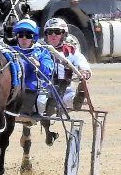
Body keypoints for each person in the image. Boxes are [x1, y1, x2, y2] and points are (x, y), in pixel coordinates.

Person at [37, 17, 92, 146]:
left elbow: (84, 65)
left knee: (70, 101)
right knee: (41, 101)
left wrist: (84, 72)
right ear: (46, 34)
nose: (53, 35)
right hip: (41, 88)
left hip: (64, 89)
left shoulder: (71, 51)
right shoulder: (39, 49)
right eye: (50, 32)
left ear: (64, 34)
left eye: (57, 32)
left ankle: (78, 97)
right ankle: (47, 127)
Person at [12, 19, 54, 116]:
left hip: (32, 92)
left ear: (34, 38)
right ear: (17, 37)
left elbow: (48, 71)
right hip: (12, 90)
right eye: (20, 35)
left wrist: (38, 64)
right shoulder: (10, 51)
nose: (24, 38)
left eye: (28, 36)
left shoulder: (42, 52)